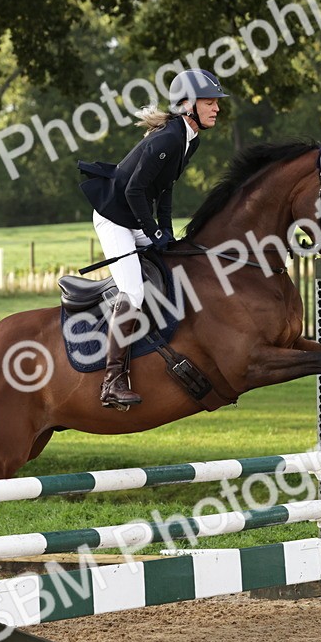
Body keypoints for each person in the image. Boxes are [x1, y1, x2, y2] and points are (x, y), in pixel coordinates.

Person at [76, 68, 228, 409]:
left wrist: (167, 232)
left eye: (216, 102)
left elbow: (165, 189)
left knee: (177, 262)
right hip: (115, 218)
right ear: (187, 105)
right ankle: (112, 382)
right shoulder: (169, 138)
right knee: (133, 291)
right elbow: (135, 189)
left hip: (135, 215)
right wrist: (153, 231)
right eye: (209, 102)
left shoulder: (189, 138)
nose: (216, 108)